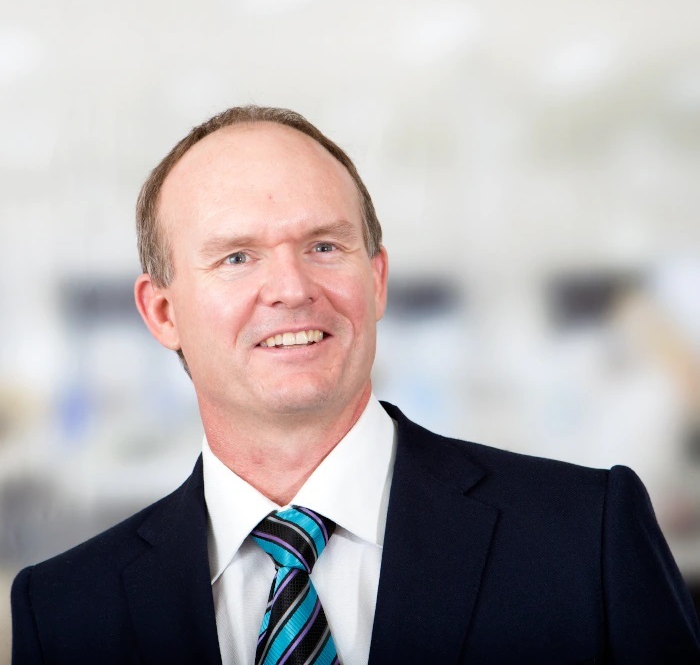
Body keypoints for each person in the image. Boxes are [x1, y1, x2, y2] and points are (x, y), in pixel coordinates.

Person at [10, 105, 700, 664]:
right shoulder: (66, 609)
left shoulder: (584, 537)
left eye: (324, 246)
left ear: (376, 280)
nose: (290, 288)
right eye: (238, 257)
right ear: (163, 312)